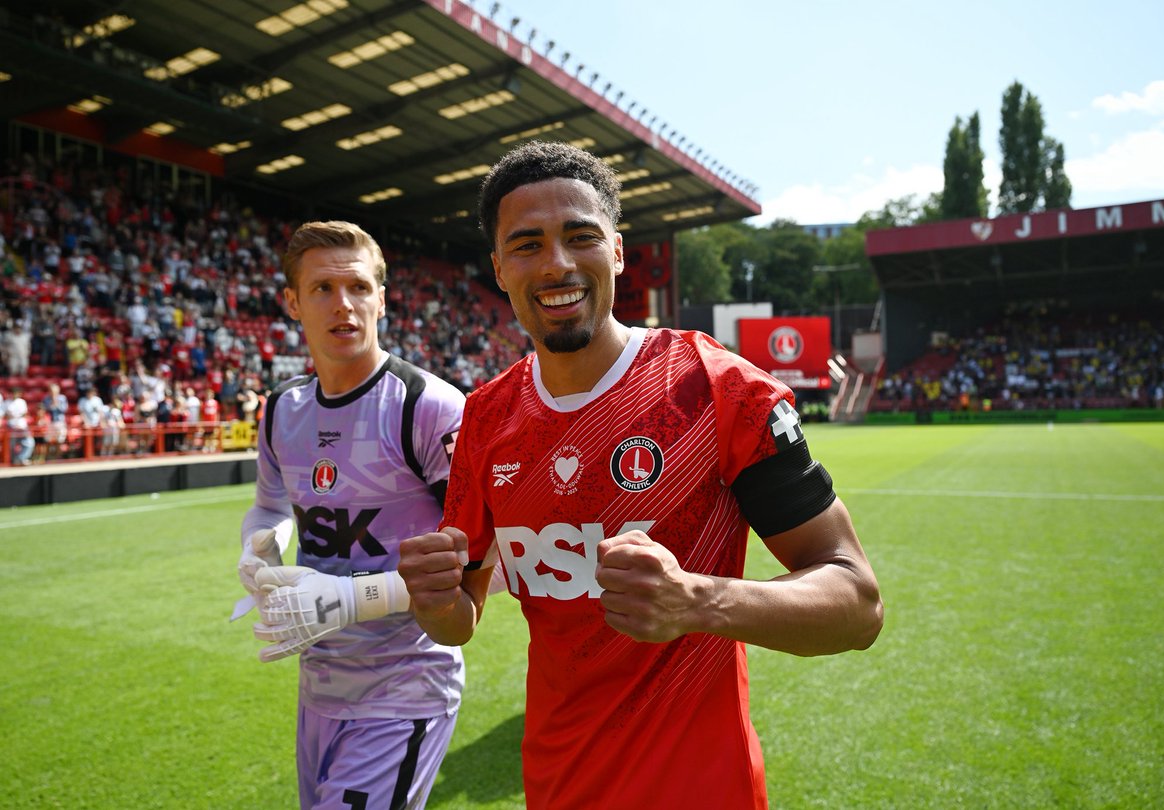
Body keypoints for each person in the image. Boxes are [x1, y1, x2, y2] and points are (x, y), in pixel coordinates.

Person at [397, 141, 884, 809]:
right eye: (528, 244)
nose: (558, 263)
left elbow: (858, 604)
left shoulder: (720, 390)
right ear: (500, 269)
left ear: (619, 252)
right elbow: (463, 615)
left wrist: (697, 602)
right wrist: (433, 604)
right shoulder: (485, 419)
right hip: (556, 788)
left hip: (704, 793)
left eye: (579, 236)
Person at [235, 220, 467, 810]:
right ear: (292, 301)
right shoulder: (281, 409)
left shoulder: (428, 406)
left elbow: (481, 554)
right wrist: (259, 544)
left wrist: (354, 598)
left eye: (359, 288)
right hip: (319, 687)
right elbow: (268, 501)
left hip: (405, 684)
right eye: (322, 289)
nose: (344, 305)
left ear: (382, 299)